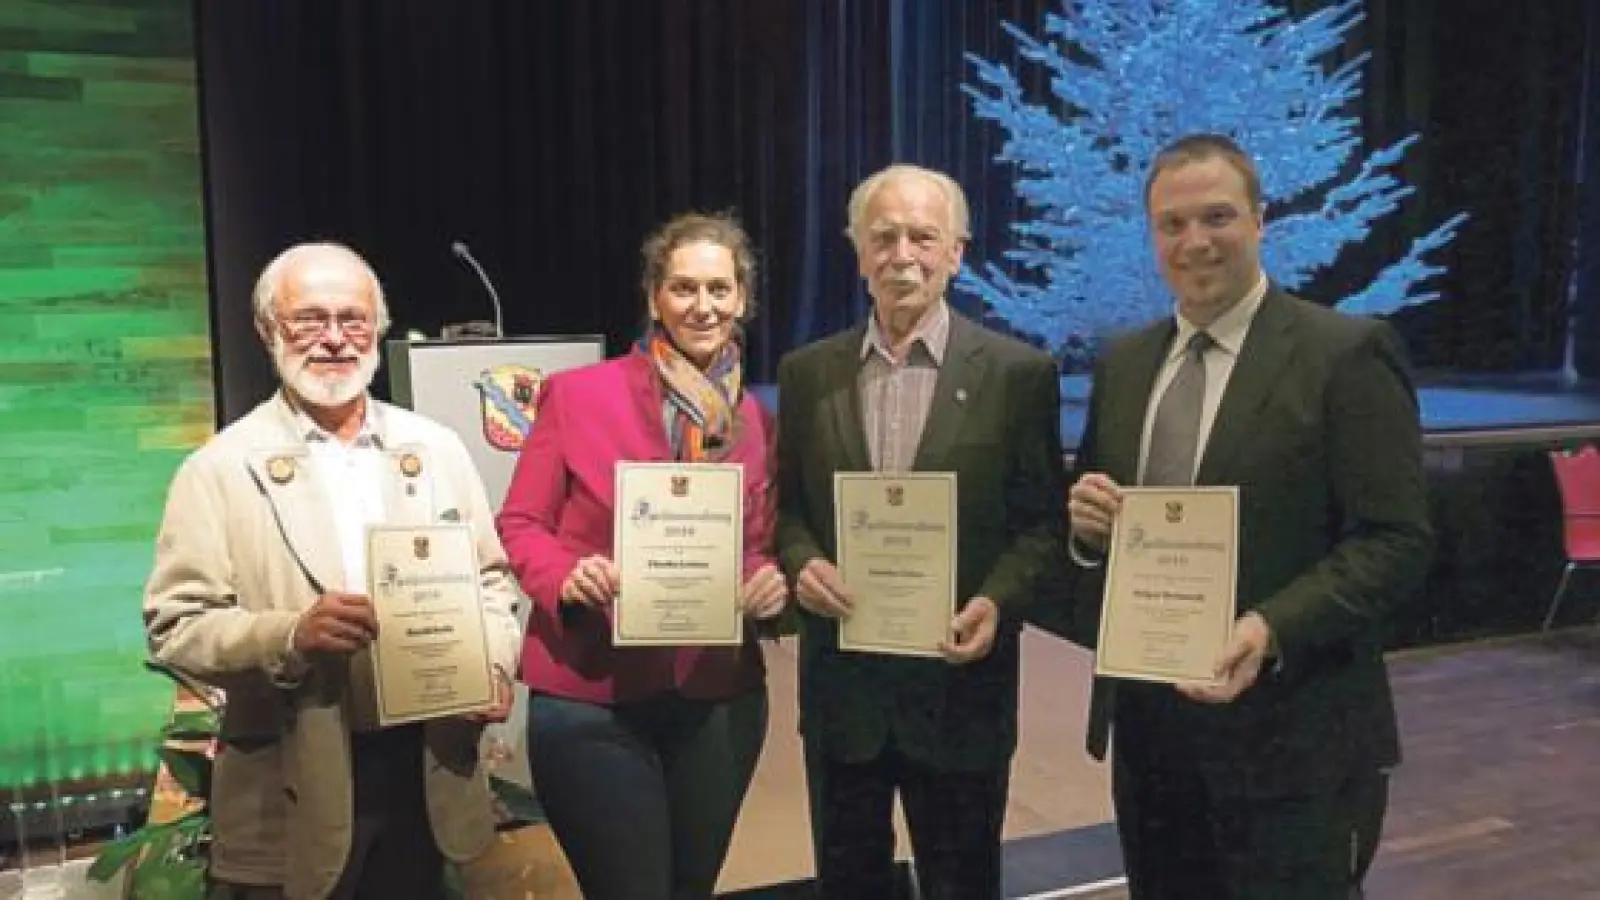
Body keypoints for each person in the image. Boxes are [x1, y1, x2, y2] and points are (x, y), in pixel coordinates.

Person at [1065, 133, 1433, 899]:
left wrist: (1269, 629)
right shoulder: (1125, 365)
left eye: (1217, 217)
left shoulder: (1346, 353)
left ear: (1261, 221)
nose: (1194, 241)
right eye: (1172, 224)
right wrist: (1088, 533)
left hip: (1295, 739)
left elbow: (1396, 540)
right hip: (1153, 741)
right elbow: (1101, 520)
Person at [143, 242, 522, 900]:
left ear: (378, 328)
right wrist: (289, 635)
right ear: (268, 330)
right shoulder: (219, 469)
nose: (335, 339)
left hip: (428, 773)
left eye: (353, 319)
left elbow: (491, 584)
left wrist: (490, 664)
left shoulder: (436, 449)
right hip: (291, 787)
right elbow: (176, 628)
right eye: (309, 320)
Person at [775, 164, 1066, 899]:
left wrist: (997, 602)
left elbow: (1041, 525)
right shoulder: (807, 374)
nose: (902, 254)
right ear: (858, 252)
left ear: (957, 252)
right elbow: (789, 510)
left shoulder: (1019, 374)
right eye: (883, 237)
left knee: (963, 883)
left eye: (922, 236)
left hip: (960, 692)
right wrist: (803, 562)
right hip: (844, 696)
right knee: (848, 885)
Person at [495, 212, 786, 900]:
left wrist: (767, 582)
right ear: (655, 296)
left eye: (719, 288)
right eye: (683, 287)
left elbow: (755, 546)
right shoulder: (578, 394)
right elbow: (521, 522)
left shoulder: (757, 420)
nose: (703, 306)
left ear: (742, 298)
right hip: (592, 694)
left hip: (717, 694)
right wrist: (566, 575)